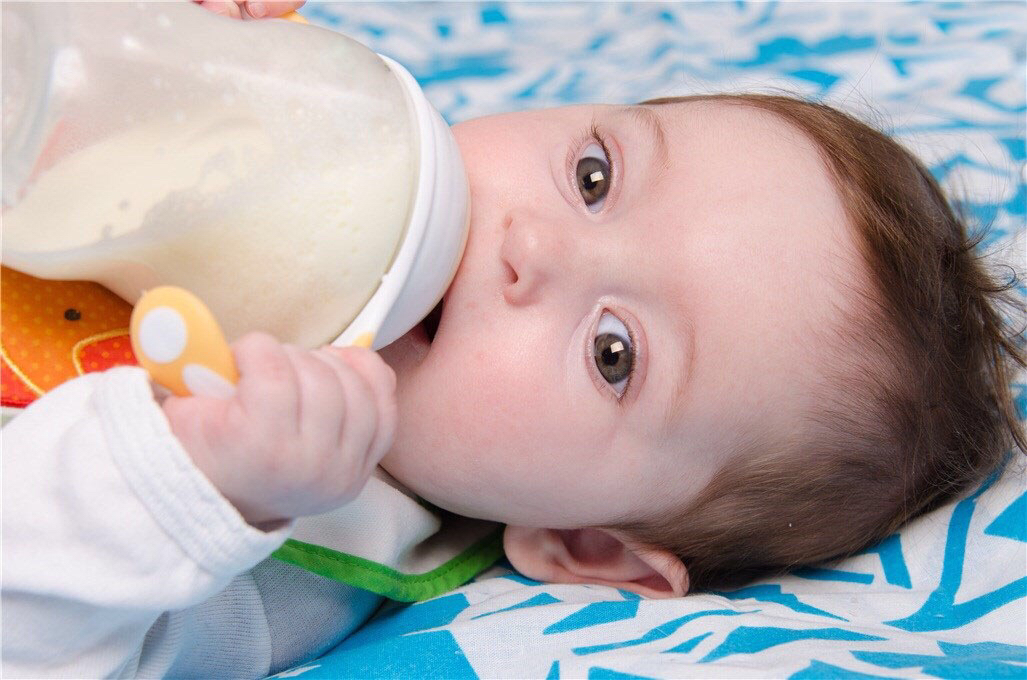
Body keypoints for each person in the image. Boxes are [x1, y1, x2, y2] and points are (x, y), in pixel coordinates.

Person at [3, 1, 1024, 677]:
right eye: (592, 178)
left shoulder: (306, 552)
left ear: (586, 546)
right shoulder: (282, 146)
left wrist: (187, 487)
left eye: (612, 353)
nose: (530, 246)